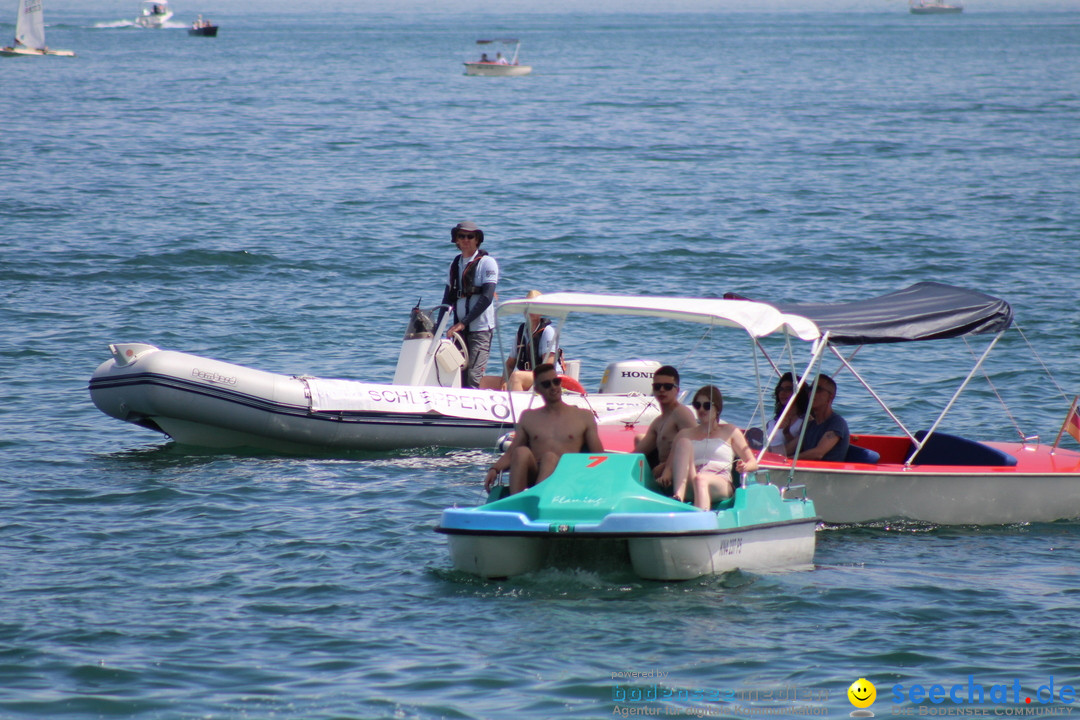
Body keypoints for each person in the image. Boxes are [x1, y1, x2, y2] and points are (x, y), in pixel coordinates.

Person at [484, 363, 602, 495]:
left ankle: (538, 499)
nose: (553, 387)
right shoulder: (529, 417)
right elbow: (511, 453)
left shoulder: (583, 416)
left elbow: (598, 456)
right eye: (547, 384)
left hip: (568, 475)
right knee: (521, 451)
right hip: (535, 474)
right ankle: (516, 500)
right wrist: (494, 469)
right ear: (538, 389)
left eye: (556, 382)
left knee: (550, 457)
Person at [659, 385, 758, 511]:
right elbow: (669, 468)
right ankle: (678, 497)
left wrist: (745, 466)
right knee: (684, 442)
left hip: (720, 483)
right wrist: (665, 476)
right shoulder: (685, 433)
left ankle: (701, 521)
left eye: (706, 405)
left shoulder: (730, 431)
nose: (701, 409)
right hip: (690, 481)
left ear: (717, 408)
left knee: (701, 479)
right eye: (697, 405)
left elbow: (753, 463)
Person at [440, 221, 498, 389]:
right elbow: (446, 301)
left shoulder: (487, 263)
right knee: (457, 374)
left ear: (477, 239)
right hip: (459, 331)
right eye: (461, 236)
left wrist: (463, 322)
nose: (466, 240)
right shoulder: (454, 265)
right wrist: (437, 328)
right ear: (456, 240)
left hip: (480, 330)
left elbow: (486, 298)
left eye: (470, 236)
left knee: (473, 377)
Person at [633, 365, 696, 480]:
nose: (662, 390)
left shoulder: (681, 414)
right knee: (638, 438)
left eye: (667, 386)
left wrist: (666, 465)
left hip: (678, 475)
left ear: (677, 390)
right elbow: (637, 453)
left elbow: (696, 446)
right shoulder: (658, 422)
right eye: (657, 386)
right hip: (660, 472)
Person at [505, 290, 561, 392]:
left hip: (549, 378)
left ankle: (519, 407)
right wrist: (503, 382)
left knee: (516, 377)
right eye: (527, 305)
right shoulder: (521, 332)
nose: (529, 309)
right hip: (529, 376)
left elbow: (548, 367)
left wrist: (520, 377)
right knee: (486, 381)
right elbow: (509, 364)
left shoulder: (548, 332)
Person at [794, 374, 850, 462]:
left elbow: (818, 453)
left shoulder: (837, 423)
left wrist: (788, 460)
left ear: (830, 397)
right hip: (807, 471)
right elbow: (793, 446)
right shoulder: (810, 424)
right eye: (810, 389)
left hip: (826, 473)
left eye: (818, 389)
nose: (812, 393)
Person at [766, 372, 808, 454]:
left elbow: (799, 449)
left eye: (788, 389)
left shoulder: (804, 422)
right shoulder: (771, 422)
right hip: (765, 457)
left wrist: (787, 432)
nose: (782, 393)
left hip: (779, 459)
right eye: (780, 389)